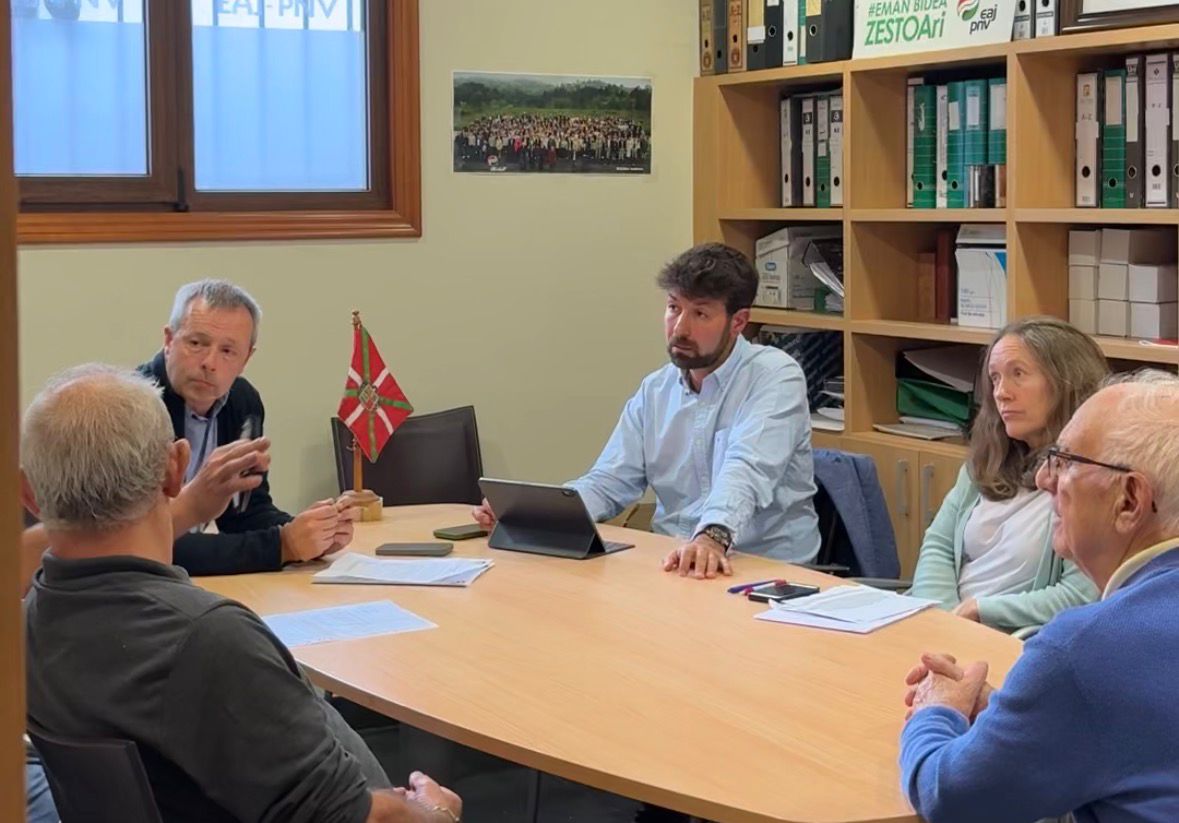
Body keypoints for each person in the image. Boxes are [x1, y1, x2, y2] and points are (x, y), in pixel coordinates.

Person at [22, 364, 462, 823]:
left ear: (29, 493)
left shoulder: (28, 625)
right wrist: (436, 814)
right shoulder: (206, 640)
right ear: (175, 469)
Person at [900, 371, 1179, 823]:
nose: (1045, 478)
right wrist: (1017, 716)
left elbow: (949, 797)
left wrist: (936, 711)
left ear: (1129, 500)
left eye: (1065, 462)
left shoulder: (1086, 648)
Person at [473, 243, 820, 578]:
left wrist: (711, 538)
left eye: (700, 313)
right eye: (673, 308)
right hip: (676, 563)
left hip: (763, 568)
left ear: (738, 322)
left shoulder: (775, 376)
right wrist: (534, 517)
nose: (680, 328)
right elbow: (610, 481)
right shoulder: (656, 389)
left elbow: (747, 470)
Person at [909, 317, 1106, 633]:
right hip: (945, 628)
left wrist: (980, 611)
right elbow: (939, 545)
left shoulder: (1093, 477)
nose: (1001, 393)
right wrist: (943, 618)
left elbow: (1079, 597)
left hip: (1011, 640)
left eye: (1018, 374)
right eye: (995, 378)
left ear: (1066, 382)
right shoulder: (985, 460)